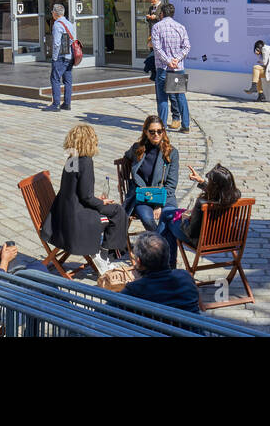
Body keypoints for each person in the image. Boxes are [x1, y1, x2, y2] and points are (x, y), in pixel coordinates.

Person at [41, 123, 129, 274]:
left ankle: (103, 251)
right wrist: (100, 203)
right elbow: (86, 197)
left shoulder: (71, 158)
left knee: (114, 211)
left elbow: (77, 191)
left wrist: (97, 200)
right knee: (118, 212)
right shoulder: (86, 162)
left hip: (64, 213)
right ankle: (104, 254)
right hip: (77, 219)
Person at [162, 164, 240, 270]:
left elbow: (191, 232)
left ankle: (166, 264)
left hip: (201, 241)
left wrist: (184, 219)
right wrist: (201, 181)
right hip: (224, 238)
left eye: (211, 182)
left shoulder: (202, 204)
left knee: (167, 217)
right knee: (168, 214)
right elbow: (219, 194)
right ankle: (164, 262)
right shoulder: (235, 196)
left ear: (214, 186)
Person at [121, 115, 179, 232]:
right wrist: (124, 177)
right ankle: (160, 244)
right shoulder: (137, 148)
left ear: (163, 131)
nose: (156, 135)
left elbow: (171, 184)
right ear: (146, 132)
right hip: (143, 197)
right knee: (147, 218)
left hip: (164, 196)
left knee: (168, 217)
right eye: (152, 132)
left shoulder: (171, 152)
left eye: (159, 131)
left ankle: (158, 246)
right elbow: (126, 157)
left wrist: (158, 204)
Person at [121, 232, 201, 313]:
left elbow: (109, 313)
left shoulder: (134, 290)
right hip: (193, 325)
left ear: (138, 261)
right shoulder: (185, 277)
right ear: (167, 255)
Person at [150, 2, 191, 133]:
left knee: (162, 98)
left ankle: (161, 126)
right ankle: (185, 125)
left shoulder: (157, 27)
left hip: (163, 67)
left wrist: (168, 61)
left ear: (162, 13)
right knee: (180, 96)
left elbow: (157, 48)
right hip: (177, 68)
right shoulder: (180, 27)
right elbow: (187, 47)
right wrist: (176, 59)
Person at [47, 3, 75, 111]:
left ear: (55, 13)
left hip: (61, 56)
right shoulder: (69, 23)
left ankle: (56, 104)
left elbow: (57, 43)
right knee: (67, 79)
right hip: (70, 56)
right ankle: (67, 103)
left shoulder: (57, 25)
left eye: (52, 12)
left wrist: (54, 58)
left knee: (55, 78)